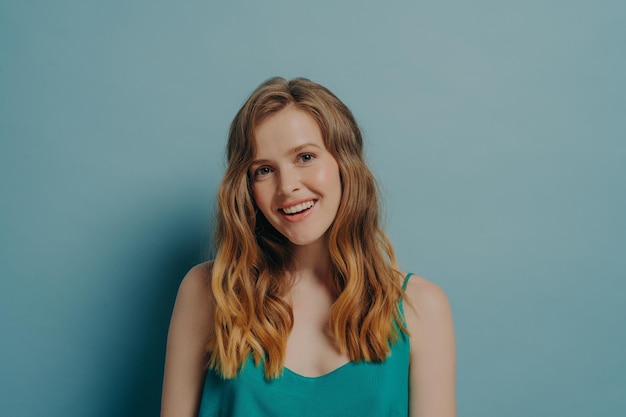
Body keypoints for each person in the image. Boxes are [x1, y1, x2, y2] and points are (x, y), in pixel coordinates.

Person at [161, 77, 456, 417]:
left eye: (305, 157)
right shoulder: (208, 292)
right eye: (264, 170)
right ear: (247, 187)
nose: (287, 187)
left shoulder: (421, 307)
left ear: (345, 165)